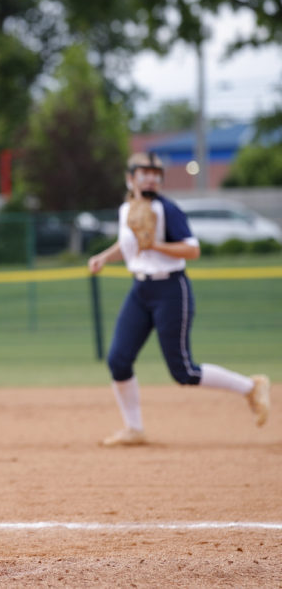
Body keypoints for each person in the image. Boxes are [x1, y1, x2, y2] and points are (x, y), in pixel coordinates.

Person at [88, 152, 271, 447]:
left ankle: (251, 387)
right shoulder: (127, 209)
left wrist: (157, 244)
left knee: (183, 370)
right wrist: (104, 257)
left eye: (155, 173)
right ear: (130, 178)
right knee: (118, 360)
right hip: (140, 290)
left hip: (171, 290)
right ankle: (134, 428)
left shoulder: (167, 210)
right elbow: (130, 244)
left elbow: (192, 250)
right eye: (143, 172)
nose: (150, 177)